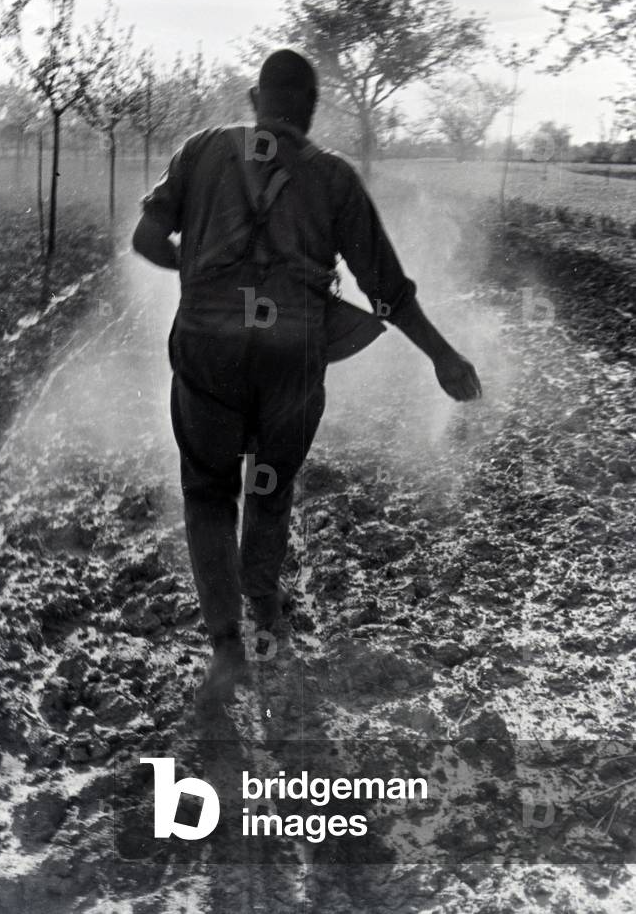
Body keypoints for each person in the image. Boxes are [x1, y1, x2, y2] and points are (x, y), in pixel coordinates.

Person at [132, 48, 481, 705]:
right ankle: (265, 605)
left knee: (208, 492)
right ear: (312, 110)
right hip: (292, 357)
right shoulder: (332, 177)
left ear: (255, 100)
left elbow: (147, 240)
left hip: (207, 349)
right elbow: (386, 290)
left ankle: (226, 648)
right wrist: (442, 355)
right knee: (269, 484)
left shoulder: (201, 151)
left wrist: (202, 270)